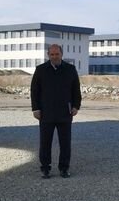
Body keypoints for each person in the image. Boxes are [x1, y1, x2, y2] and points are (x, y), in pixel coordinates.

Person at [30, 44, 81, 179]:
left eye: (56, 54)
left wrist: (76, 106)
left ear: (61, 54)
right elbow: (34, 91)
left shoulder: (70, 69)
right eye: (52, 54)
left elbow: (76, 90)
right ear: (48, 55)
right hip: (46, 113)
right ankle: (45, 168)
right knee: (45, 143)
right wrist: (35, 108)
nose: (54, 57)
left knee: (65, 143)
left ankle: (64, 168)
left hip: (65, 112)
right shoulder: (40, 70)